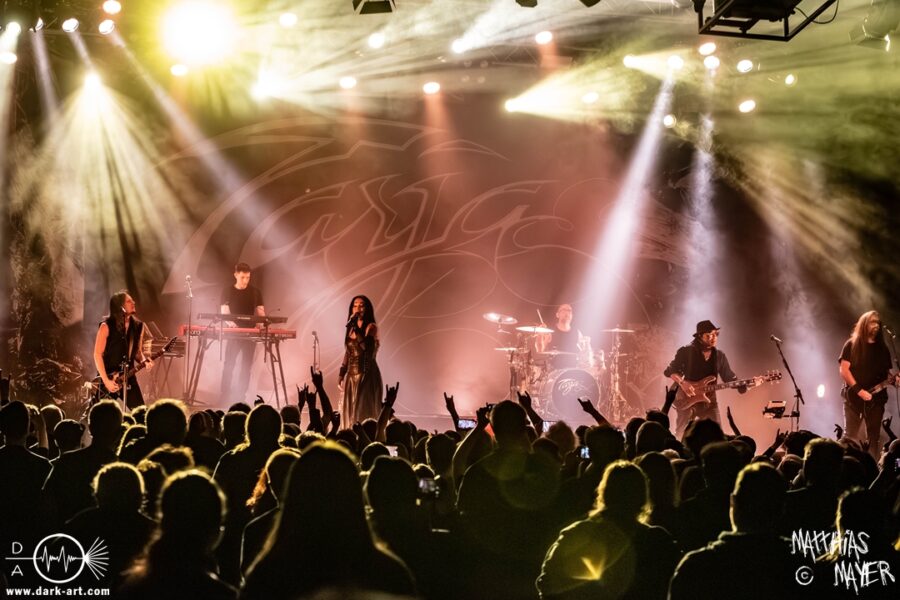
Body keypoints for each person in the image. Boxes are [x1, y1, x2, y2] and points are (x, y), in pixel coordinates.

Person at [663, 320, 747, 438]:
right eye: (709, 335)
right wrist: (682, 383)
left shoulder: (719, 356)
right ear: (700, 336)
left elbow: (729, 377)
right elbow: (669, 371)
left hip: (709, 403)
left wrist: (745, 384)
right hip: (687, 400)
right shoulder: (686, 351)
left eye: (715, 334)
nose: (714, 338)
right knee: (681, 434)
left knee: (718, 436)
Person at [838, 310, 898, 457]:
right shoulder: (851, 344)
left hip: (876, 400)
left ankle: (870, 467)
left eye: (877, 322)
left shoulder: (883, 348)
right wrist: (859, 391)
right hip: (853, 397)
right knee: (850, 436)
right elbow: (844, 370)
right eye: (872, 322)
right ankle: (847, 464)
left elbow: (885, 374)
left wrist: (894, 380)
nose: (876, 325)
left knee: (873, 437)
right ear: (864, 324)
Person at [94, 291, 153, 410]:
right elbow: (97, 354)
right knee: (100, 415)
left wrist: (144, 360)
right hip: (109, 378)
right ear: (120, 306)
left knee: (141, 413)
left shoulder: (138, 326)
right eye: (129, 301)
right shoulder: (106, 326)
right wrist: (106, 381)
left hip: (129, 376)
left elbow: (137, 352)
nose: (133, 302)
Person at [220, 263, 265, 406]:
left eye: (248, 277)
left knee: (246, 367)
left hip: (250, 334)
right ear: (235, 275)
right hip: (233, 334)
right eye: (242, 277)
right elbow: (224, 312)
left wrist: (261, 323)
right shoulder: (227, 291)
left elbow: (261, 313)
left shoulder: (255, 292)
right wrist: (232, 324)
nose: (245, 280)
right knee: (229, 364)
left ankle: (241, 397)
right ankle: (224, 397)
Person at [339, 295, 383, 424]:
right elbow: (348, 352)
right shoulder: (351, 328)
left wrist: (356, 328)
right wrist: (341, 373)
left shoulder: (371, 327)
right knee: (350, 411)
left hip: (366, 373)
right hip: (351, 375)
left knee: (362, 410)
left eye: (361, 305)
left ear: (367, 308)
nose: (358, 308)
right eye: (355, 305)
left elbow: (365, 347)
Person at [537, 304, 594, 370]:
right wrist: (540, 334)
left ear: (572, 316)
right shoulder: (550, 332)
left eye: (569, 310)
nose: (567, 312)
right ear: (557, 315)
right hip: (554, 372)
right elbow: (540, 349)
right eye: (563, 310)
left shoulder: (577, 333)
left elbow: (585, 353)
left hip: (573, 371)